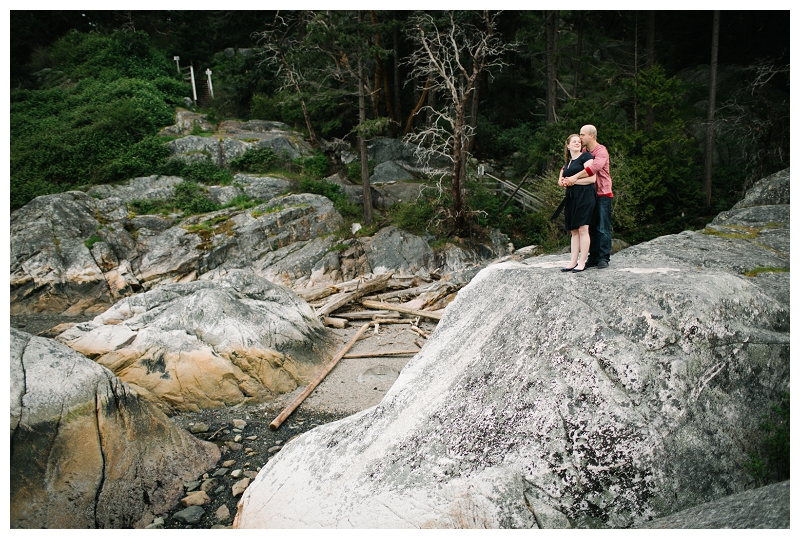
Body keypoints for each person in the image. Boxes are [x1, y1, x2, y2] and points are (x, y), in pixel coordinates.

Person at [562, 124, 613, 268]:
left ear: (591, 136)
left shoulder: (601, 151)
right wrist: (563, 176)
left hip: (603, 192)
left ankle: (604, 258)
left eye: (582, 134)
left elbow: (592, 169)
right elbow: (571, 163)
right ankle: (593, 256)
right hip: (588, 194)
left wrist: (574, 178)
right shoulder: (584, 151)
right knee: (590, 227)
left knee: (603, 226)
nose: (580, 137)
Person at [556, 134, 595, 272]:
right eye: (574, 142)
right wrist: (562, 181)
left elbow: (592, 179)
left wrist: (573, 181)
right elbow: (562, 176)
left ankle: (582, 262)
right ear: (568, 145)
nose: (577, 143)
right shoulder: (568, 162)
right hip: (571, 196)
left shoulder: (586, 157)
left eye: (579, 142)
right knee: (573, 230)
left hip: (585, 195)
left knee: (583, 229)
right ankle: (573, 261)